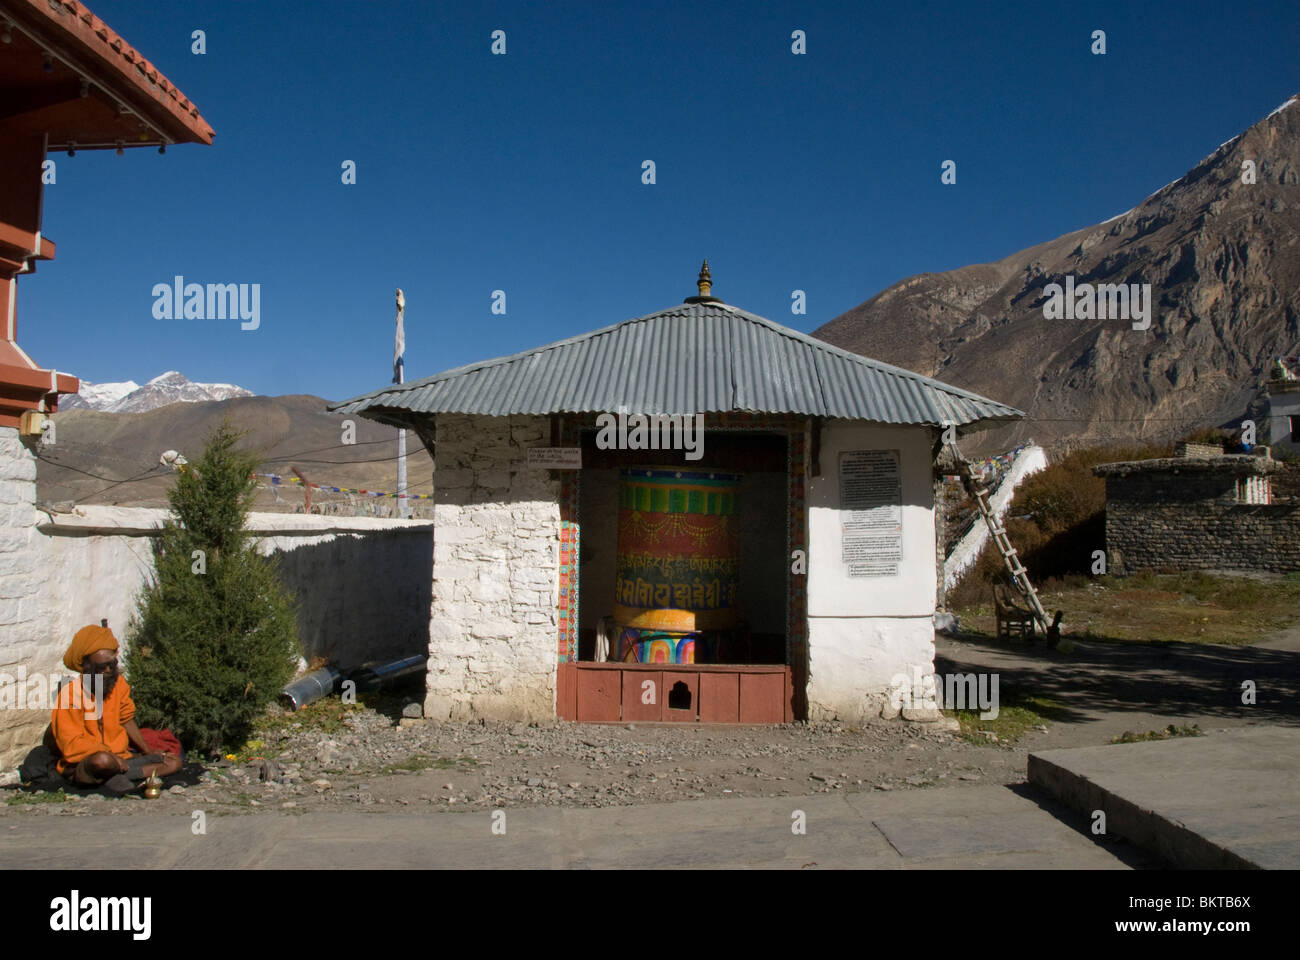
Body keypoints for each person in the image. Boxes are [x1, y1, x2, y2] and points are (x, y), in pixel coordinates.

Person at [49, 624, 182, 789]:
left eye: (111, 665)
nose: (107, 670)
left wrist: (147, 751)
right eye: (101, 667)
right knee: (103, 761)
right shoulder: (69, 695)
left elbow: (127, 720)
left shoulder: (118, 684)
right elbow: (72, 745)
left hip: (123, 759)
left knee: (174, 762)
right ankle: (126, 776)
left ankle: (118, 777)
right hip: (86, 762)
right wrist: (109, 756)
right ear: (87, 666)